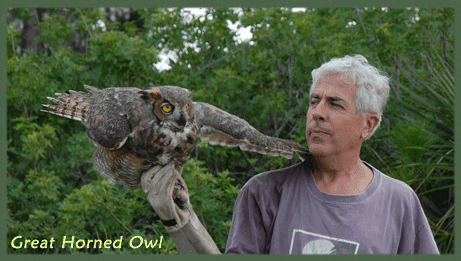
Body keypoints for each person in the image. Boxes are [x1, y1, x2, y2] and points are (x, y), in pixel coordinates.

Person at [142, 55, 440, 254]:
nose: (318, 114)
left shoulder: (399, 202)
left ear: (368, 124)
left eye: (335, 104)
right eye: (314, 101)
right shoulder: (264, 193)